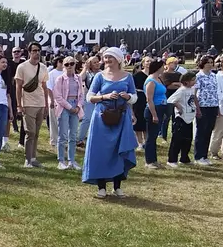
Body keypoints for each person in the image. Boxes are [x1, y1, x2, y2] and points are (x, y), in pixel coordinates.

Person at [82, 48, 137, 198]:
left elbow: (135, 96)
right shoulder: (99, 76)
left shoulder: (128, 77)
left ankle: (117, 186)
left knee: (118, 149)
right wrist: (104, 96)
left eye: (109, 57)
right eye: (105, 57)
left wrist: (128, 97)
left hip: (121, 117)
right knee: (101, 151)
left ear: (118, 59)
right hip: (102, 118)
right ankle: (101, 187)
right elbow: (89, 97)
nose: (106, 60)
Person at [15, 43, 51, 168]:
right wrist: (19, 105)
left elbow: (44, 87)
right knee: (30, 132)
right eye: (34, 50)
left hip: (40, 103)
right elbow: (18, 87)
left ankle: (33, 158)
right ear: (29, 52)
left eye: (38, 50)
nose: (37, 53)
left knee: (36, 133)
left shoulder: (43, 67)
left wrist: (46, 104)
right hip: (28, 104)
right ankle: (27, 160)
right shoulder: (22, 67)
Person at [52, 56, 84, 170]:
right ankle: (61, 160)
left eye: (71, 64)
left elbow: (81, 94)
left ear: (75, 65)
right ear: (63, 66)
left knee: (73, 135)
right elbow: (58, 96)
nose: (69, 66)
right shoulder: (60, 79)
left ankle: (72, 160)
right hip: (64, 106)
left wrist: (78, 106)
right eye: (66, 64)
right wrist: (69, 107)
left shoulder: (78, 78)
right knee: (63, 135)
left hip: (75, 105)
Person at [166, 71, 197, 168]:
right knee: (177, 140)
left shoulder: (192, 89)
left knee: (187, 140)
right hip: (181, 118)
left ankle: (184, 158)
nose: (194, 82)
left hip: (189, 118)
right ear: (186, 81)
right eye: (192, 80)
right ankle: (172, 159)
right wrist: (178, 106)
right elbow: (170, 100)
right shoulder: (181, 90)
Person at [193, 56, 219, 166]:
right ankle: (198, 156)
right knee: (201, 131)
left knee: (209, 130)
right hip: (202, 106)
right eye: (207, 62)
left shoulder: (214, 76)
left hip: (213, 105)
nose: (210, 64)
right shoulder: (198, 76)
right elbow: (194, 93)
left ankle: (204, 155)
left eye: (211, 62)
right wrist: (197, 108)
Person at [142, 58, 167, 169]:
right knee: (151, 137)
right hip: (153, 109)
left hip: (161, 108)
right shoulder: (151, 81)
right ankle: (149, 161)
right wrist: (154, 114)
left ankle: (154, 160)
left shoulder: (159, 79)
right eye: (162, 66)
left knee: (154, 136)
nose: (164, 68)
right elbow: (149, 99)